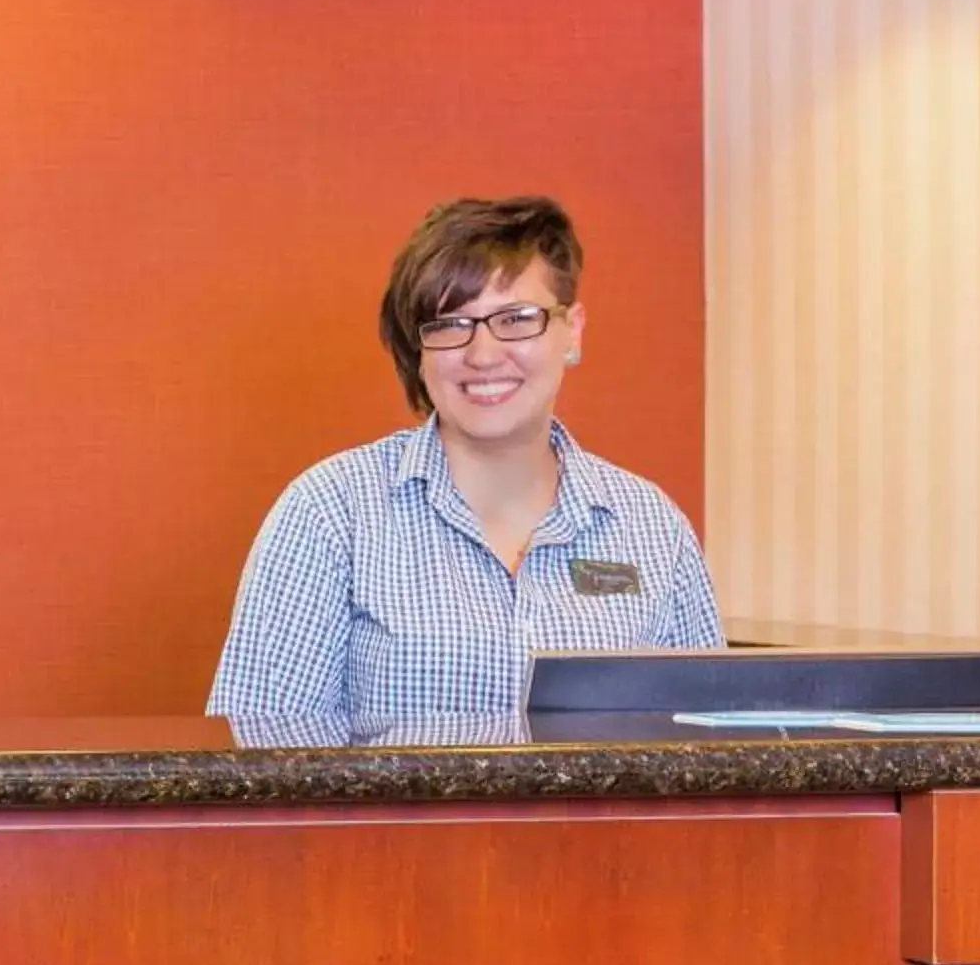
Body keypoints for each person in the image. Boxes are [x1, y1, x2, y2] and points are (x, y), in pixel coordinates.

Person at [208, 195, 720, 722]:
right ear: (420, 350)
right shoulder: (332, 511)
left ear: (573, 331)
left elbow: (711, 750)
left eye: (518, 319)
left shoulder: (653, 527)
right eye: (451, 324)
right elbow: (256, 754)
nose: (483, 354)